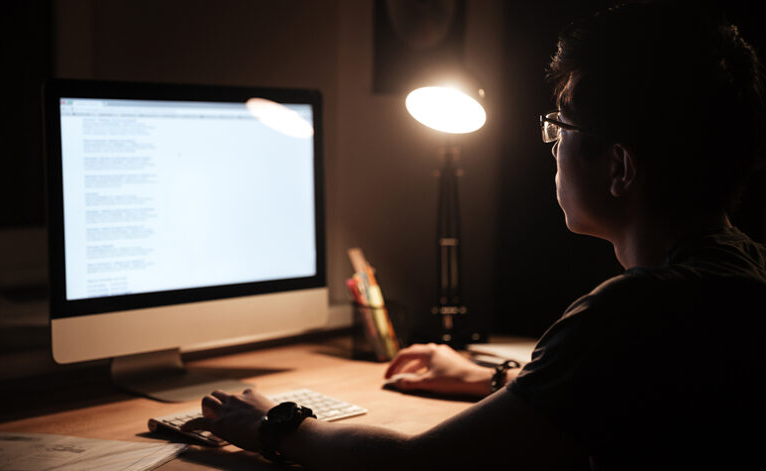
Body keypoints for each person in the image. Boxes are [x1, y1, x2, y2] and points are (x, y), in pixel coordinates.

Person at [184, 2, 766, 469]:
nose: (553, 142)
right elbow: (620, 391)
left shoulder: (630, 313)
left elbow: (416, 464)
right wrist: (491, 378)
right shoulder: (740, 270)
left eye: (561, 123)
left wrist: (273, 424)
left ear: (619, 168)